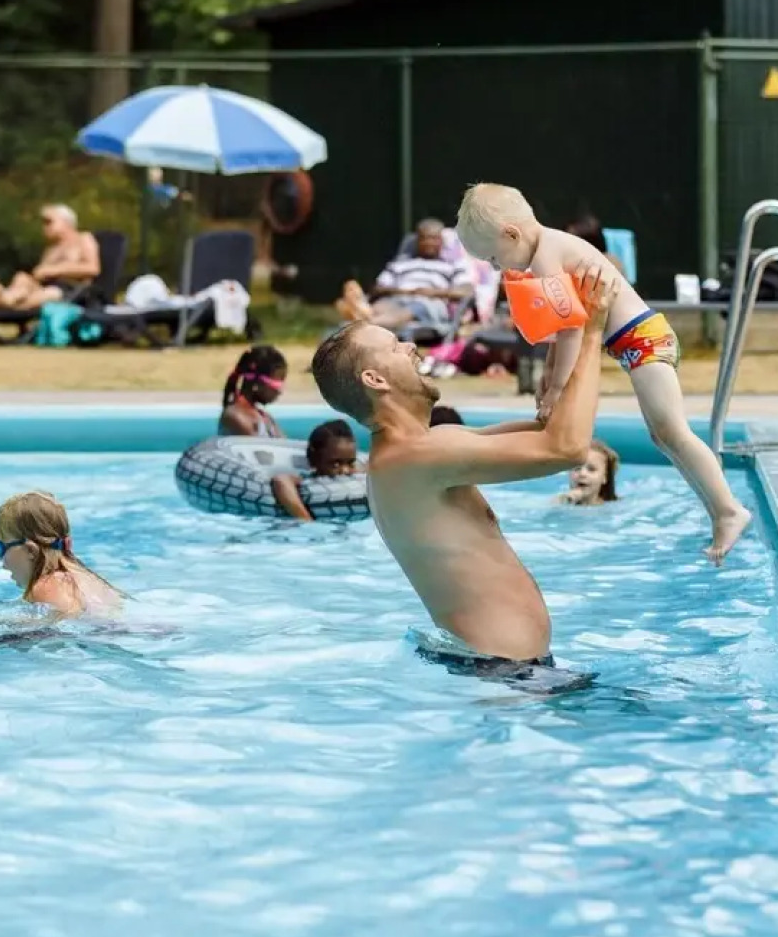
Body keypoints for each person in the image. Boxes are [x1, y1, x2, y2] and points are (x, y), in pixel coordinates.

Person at [309, 268, 617, 668]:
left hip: (505, 669)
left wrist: (565, 332)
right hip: (502, 674)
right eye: (395, 345)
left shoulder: (426, 447)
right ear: (375, 378)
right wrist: (592, 331)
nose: (411, 346)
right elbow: (568, 449)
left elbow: (550, 429)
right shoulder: (416, 457)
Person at [456, 182, 750, 563]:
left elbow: (571, 329)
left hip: (643, 338)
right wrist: (549, 379)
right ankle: (718, 510)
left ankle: (728, 510)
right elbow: (561, 329)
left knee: (673, 431)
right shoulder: (550, 248)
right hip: (637, 340)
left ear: (511, 234)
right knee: (663, 437)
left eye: (495, 258)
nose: (498, 268)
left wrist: (557, 388)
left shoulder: (546, 257)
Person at [0, 492, 125, 617]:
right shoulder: (90, 579)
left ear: (30, 550)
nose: (1, 560)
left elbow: (60, 624)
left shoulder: (44, 587)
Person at [335, 219, 475, 330]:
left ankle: (364, 323)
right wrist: (404, 292)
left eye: (433, 238)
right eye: (423, 238)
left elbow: (467, 292)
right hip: (397, 298)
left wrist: (433, 293)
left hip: (430, 303)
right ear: (417, 240)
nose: (428, 243)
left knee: (411, 310)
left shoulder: (453, 265)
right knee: (380, 306)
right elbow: (377, 288)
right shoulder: (401, 263)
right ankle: (364, 315)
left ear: (442, 240)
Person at [0, 204, 100, 309]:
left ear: (66, 223)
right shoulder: (51, 249)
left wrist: (54, 270)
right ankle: (4, 297)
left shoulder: (83, 239)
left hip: (71, 291)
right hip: (45, 287)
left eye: (49, 222)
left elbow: (93, 268)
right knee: (22, 278)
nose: (44, 227)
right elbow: (40, 276)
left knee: (45, 294)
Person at [270, 419, 361, 521]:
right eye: (335, 464)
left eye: (350, 463)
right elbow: (280, 480)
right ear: (314, 460)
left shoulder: (357, 478)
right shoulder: (307, 480)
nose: (345, 470)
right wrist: (306, 520)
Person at [218, 346, 288, 438]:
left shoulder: (265, 417)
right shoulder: (235, 417)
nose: (279, 391)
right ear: (257, 383)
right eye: (276, 384)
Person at [558, 439, 620, 505]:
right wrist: (566, 500)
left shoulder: (612, 506)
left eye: (591, 469)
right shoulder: (561, 501)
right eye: (577, 468)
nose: (582, 474)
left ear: (605, 477)